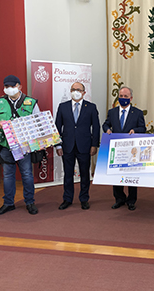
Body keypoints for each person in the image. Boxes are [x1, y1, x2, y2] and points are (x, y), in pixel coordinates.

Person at [0, 75, 39, 215]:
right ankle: (8, 203)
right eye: (6, 86)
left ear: (19, 86)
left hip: (23, 146)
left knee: (27, 175)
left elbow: (37, 121)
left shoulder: (30, 102)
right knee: (8, 176)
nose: (9, 89)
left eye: (12, 86)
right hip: (6, 145)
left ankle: (30, 202)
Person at [55, 82, 100, 210]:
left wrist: (94, 145)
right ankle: (67, 198)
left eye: (78, 89)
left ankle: (84, 199)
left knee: (85, 174)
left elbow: (96, 127)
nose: (76, 91)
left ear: (84, 92)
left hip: (85, 146)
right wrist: (58, 145)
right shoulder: (63, 106)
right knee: (67, 174)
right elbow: (57, 127)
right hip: (67, 146)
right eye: (73, 89)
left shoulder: (91, 107)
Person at [102, 86, 146, 210]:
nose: (123, 98)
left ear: (131, 98)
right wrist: (107, 129)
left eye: (125, 96)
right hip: (117, 150)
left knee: (131, 176)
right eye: (121, 96)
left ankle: (131, 200)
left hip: (132, 150)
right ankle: (119, 198)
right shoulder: (112, 112)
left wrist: (135, 130)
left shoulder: (137, 113)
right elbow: (105, 124)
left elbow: (143, 129)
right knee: (116, 175)